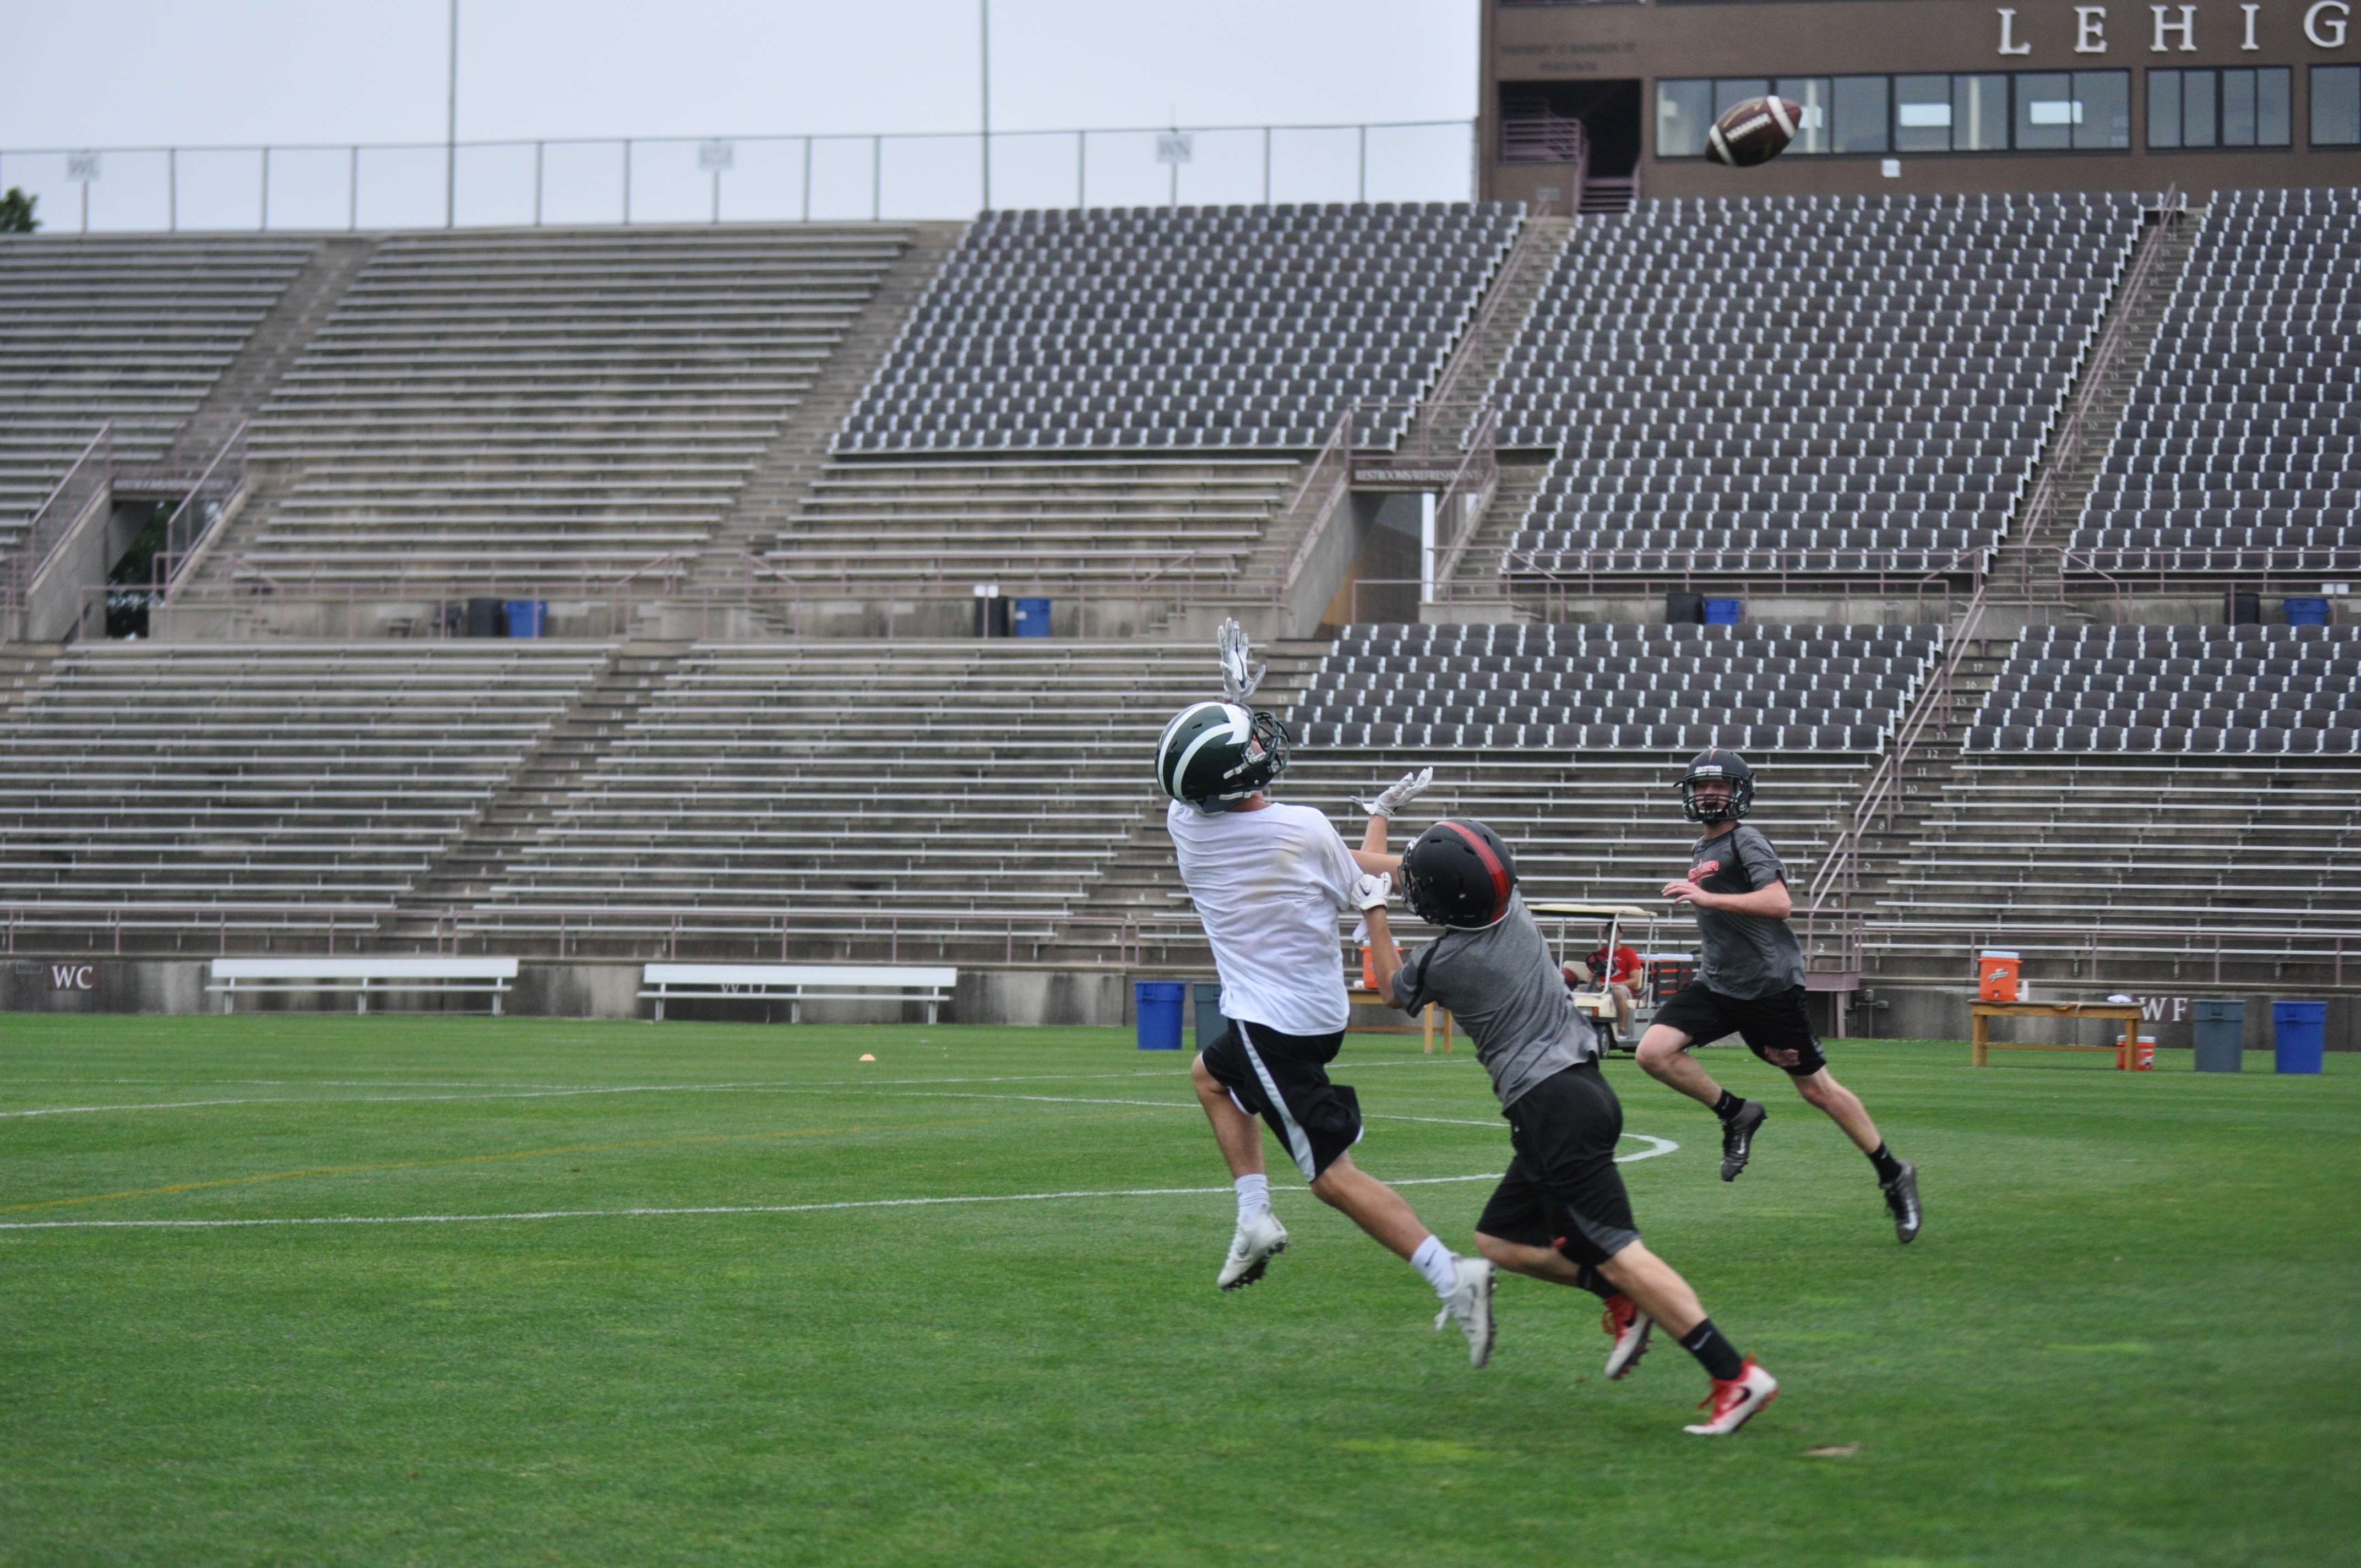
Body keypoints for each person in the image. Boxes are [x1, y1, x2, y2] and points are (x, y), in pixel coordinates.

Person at [1363, 812, 1781, 1436]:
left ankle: (1734, 1375)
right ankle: (1616, 1297)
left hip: (1553, 1107)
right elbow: (1450, 873)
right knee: (1500, 1241)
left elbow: (1392, 989)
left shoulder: (1445, 958)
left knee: (1622, 1251)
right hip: (1573, 1095)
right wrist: (1379, 852)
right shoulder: (1512, 909)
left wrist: (1373, 909)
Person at [1155, 620, 1497, 1365]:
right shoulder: (1305, 831)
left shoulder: (1185, 823)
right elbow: (1373, 869)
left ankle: (1453, 1276)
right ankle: (1253, 1219)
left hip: (1270, 1022)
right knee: (1210, 1078)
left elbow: (1209, 776)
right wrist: (1414, 839)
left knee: (1332, 1180)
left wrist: (1231, 702)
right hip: (1302, 1019)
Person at [1635, 748, 1923, 1243]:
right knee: (1653, 1052)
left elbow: (1780, 903)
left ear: (1738, 792)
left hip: (1768, 988)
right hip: (1719, 983)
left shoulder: (1747, 840)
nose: (1709, 794)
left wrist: (1707, 896)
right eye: (1701, 786)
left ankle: (1892, 1172)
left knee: (1817, 1091)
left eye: (1720, 786)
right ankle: (1737, 1113)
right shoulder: (1701, 850)